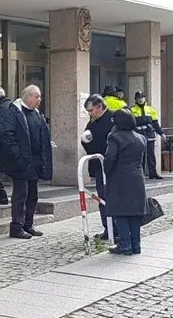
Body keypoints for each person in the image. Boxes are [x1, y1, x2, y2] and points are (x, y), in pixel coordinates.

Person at [0, 85, 53, 239]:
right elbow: (7, 136)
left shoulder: (37, 114)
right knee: (21, 195)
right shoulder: (14, 112)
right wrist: (18, 156)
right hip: (20, 162)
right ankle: (16, 227)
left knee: (33, 195)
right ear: (27, 97)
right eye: (37, 96)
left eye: (40, 96)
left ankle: (29, 225)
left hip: (34, 161)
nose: (39, 100)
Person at [104, 109, 147, 255]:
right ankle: (136, 245)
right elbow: (143, 161)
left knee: (120, 211)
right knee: (135, 213)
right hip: (137, 177)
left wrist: (107, 171)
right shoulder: (141, 138)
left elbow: (110, 158)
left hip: (120, 178)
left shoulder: (114, 137)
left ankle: (125, 244)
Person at [80, 94, 117, 241]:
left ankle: (118, 228)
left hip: (113, 165)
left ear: (100, 107)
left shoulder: (114, 119)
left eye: (91, 110)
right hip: (99, 166)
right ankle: (108, 228)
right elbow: (89, 141)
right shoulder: (92, 121)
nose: (89, 114)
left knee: (114, 197)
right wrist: (86, 141)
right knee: (103, 198)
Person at [131, 91, 165, 179]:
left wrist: (161, 133)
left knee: (151, 155)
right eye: (138, 98)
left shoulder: (151, 109)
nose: (140, 99)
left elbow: (155, 123)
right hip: (138, 135)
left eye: (142, 97)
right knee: (140, 155)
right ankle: (140, 174)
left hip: (149, 134)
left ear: (145, 98)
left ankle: (153, 173)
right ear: (135, 99)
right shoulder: (132, 110)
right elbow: (131, 124)